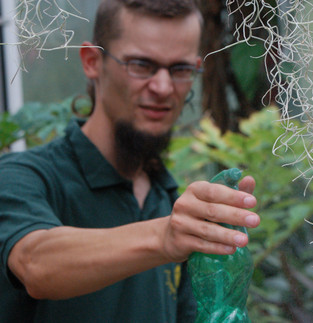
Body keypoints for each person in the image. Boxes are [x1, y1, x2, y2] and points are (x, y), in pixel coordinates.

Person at [0, 0, 260, 322]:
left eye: (180, 69)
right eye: (141, 65)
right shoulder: (23, 177)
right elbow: (34, 264)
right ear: (92, 61)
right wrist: (163, 237)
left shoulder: (167, 200)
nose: (163, 88)